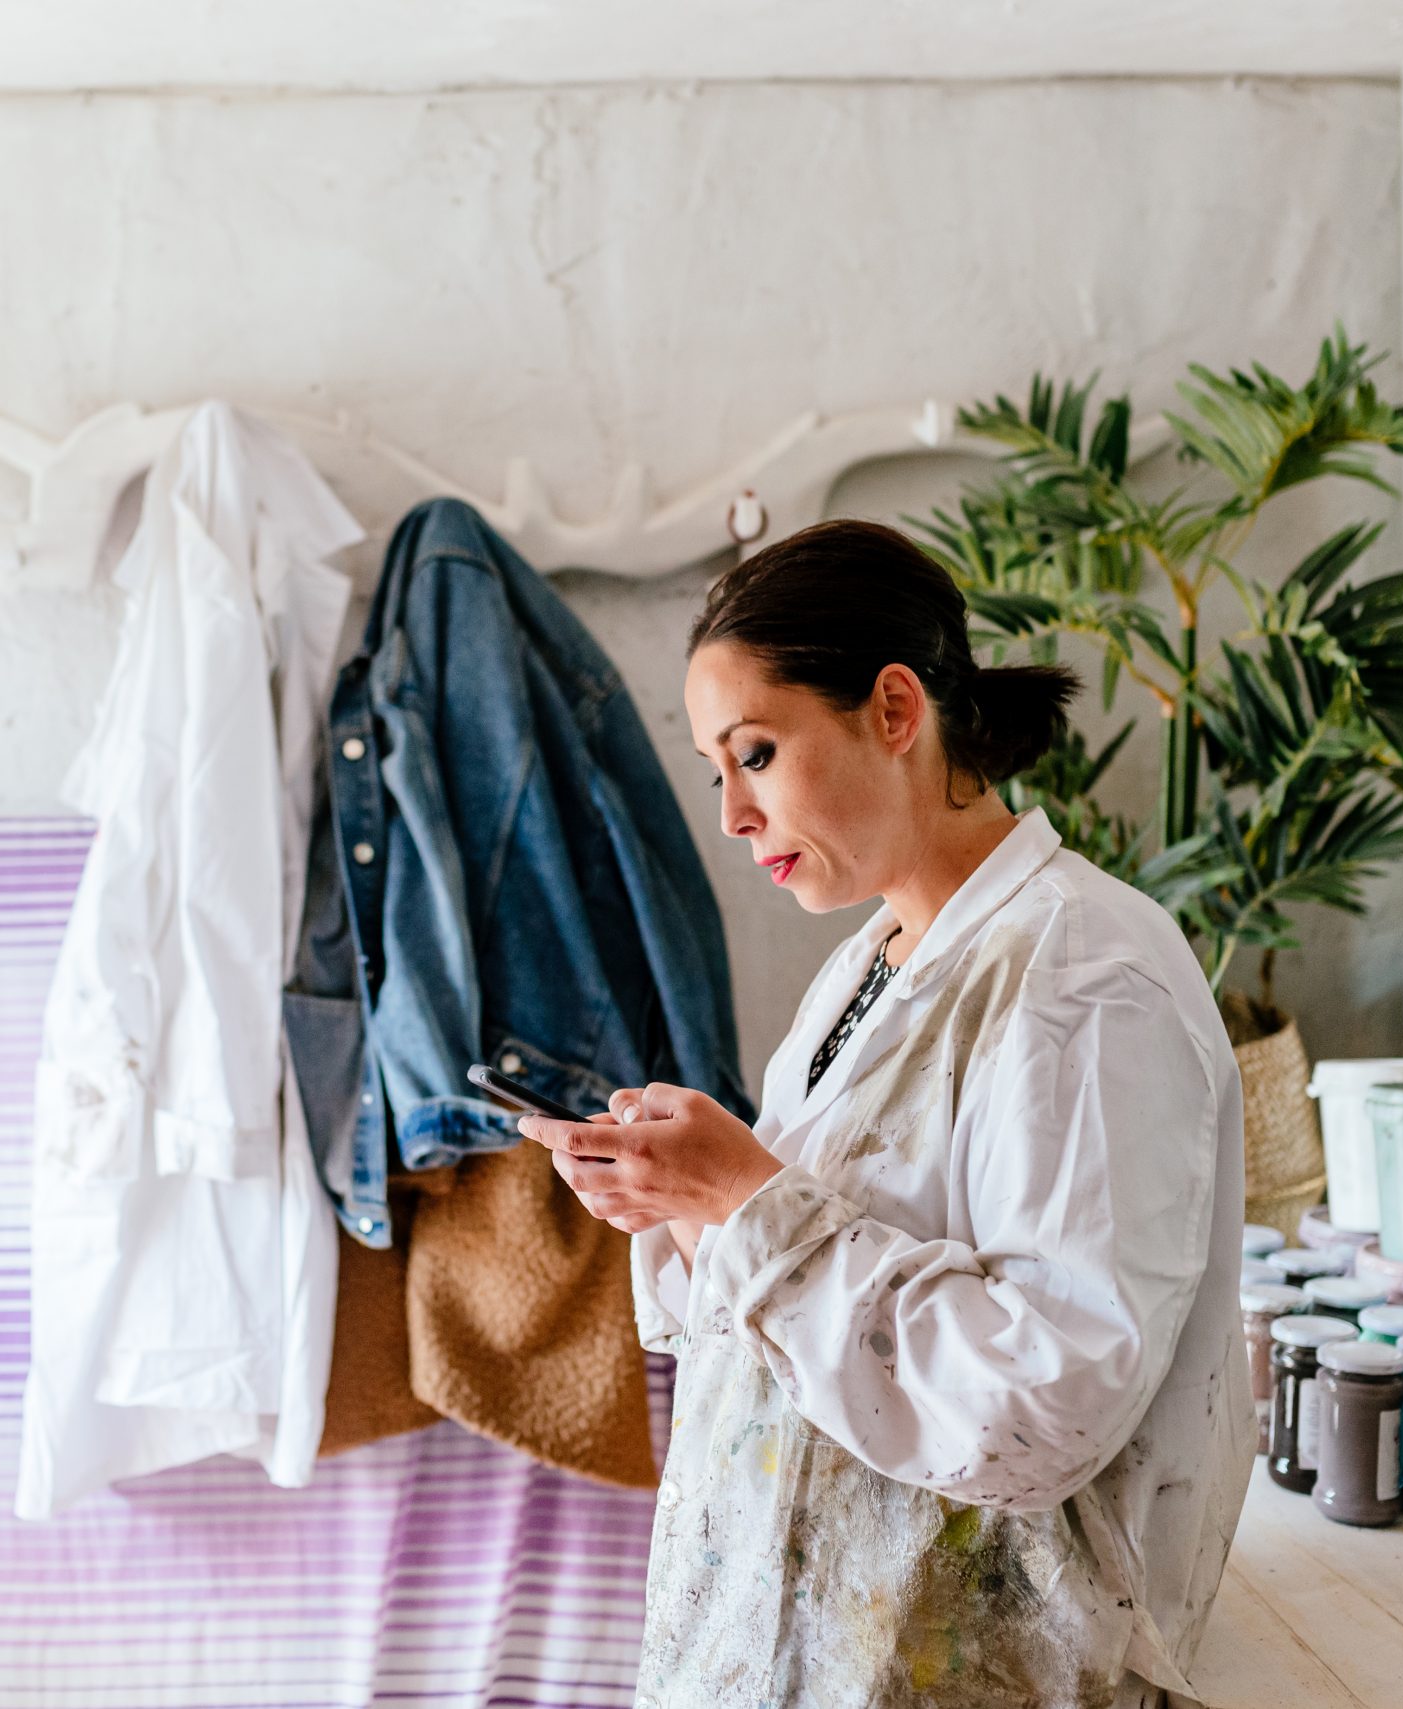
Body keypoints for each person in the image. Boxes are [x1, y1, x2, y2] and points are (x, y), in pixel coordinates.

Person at [518, 519, 1252, 1709]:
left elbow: (1045, 1392)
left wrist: (741, 1200)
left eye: (755, 752)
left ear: (895, 710)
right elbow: (813, 1282)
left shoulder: (1083, 974)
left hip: (973, 1669)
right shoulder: (876, 957)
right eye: (718, 769)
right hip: (822, 1651)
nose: (731, 816)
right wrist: (686, 1201)